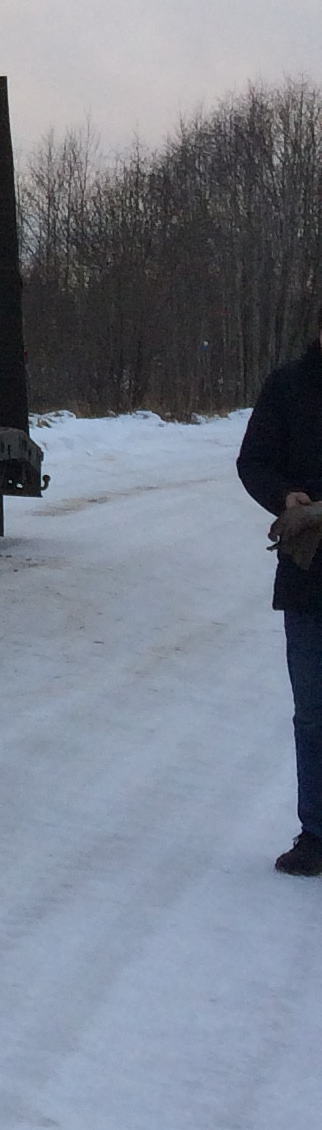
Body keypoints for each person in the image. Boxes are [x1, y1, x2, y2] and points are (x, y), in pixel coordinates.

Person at [235, 307, 322, 874]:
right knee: (313, 714)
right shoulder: (289, 385)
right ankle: (315, 834)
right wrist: (285, 496)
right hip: (309, 576)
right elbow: (253, 462)